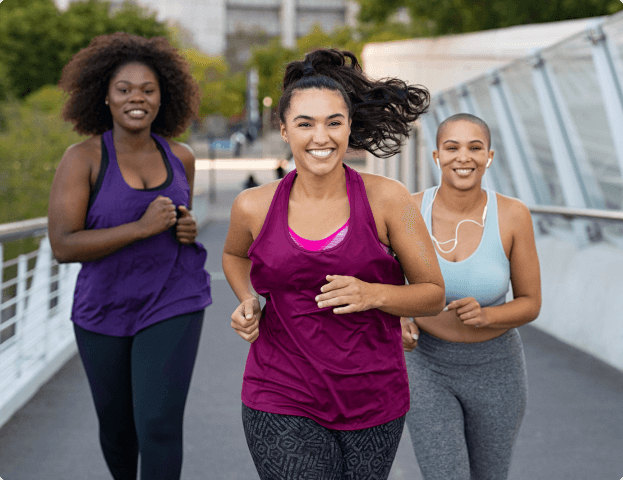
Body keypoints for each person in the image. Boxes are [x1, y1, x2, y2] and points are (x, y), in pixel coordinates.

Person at [222, 48, 446, 480]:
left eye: (333, 122)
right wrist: (247, 299)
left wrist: (373, 294)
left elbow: (433, 294)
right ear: (284, 130)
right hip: (280, 390)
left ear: (349, 128)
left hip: (373, 395)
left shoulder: (390, 199)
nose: (320, 137)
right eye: (305, 123)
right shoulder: (252, 206)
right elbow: (233, 255)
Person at [48, 33, 211, 480]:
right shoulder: (82, 158)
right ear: (105, 95)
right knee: (118, 431)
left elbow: (179, 219)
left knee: (159, 425)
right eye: (124, 89)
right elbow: (63, 244)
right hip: (104, 307)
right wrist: (139, 229)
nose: (136, 98)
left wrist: (185, 227)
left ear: (163, 97)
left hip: (173, 299)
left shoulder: (181, 156)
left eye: (147, 89)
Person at [401, 113, 542, 480]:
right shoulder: (409, 210)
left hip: (497, 368)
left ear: (489, 157)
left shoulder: (513, 215)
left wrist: (488, 316)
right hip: (427, 365)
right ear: (436, 157)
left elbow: (531, 302)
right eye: (452, 147)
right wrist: (399, 318)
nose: (463, 157)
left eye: (474, 148)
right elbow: (384, 281)